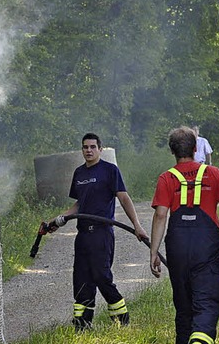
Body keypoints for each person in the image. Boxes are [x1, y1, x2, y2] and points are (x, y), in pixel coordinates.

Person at [149, 126, 219, 344]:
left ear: (172, 151)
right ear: (195, 148)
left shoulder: (166, 178)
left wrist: (153, 252)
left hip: (178, 245)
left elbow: (160, 215)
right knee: (208, 301)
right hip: (205, 245)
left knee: (183, 304)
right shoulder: (212, 174)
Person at [51, 133, 148, 330]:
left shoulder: (109, 170)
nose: (88, 150)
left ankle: (122, 318)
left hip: (101, 233)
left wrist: (137, 226)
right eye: (85, 147)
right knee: (81, 278)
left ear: (100, 149)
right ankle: (82, 323)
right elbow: (79, 204)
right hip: (83, 234)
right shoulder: (79, 173)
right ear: (82, 150)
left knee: (101, 275)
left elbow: (124, 198)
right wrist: (60, 220)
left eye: (92, 147)